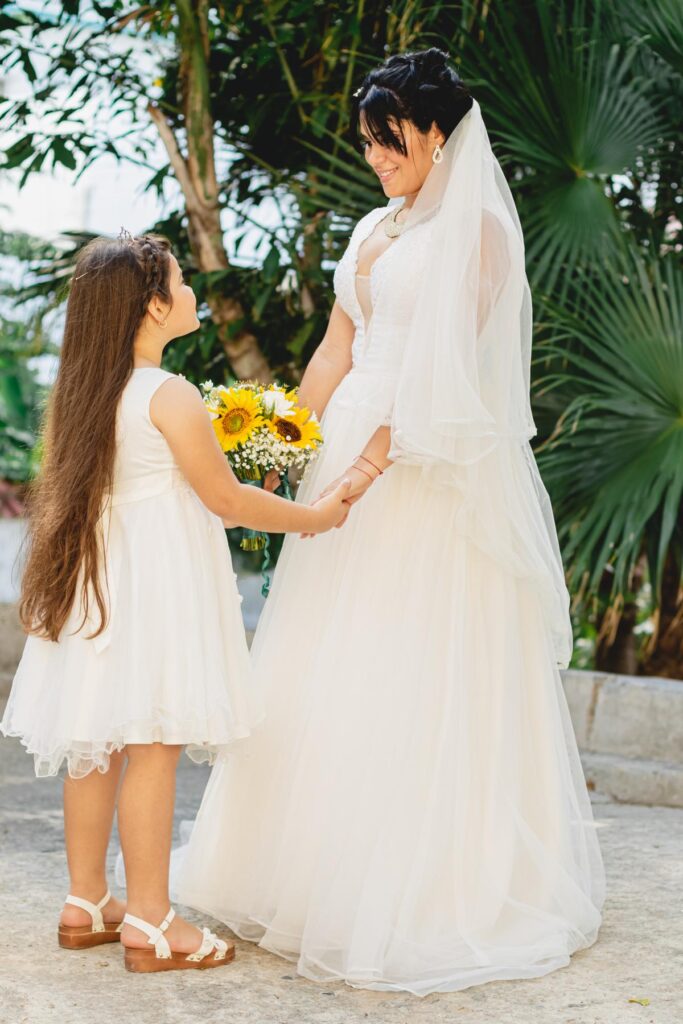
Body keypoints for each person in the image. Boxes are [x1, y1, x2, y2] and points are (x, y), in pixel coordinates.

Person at [175, 49, 606, 996]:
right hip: (350, 451)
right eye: (369, 141)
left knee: (410, 661)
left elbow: (452, 380)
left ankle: (420, 886)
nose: (376, 156)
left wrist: (368, 465)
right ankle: (301, 871)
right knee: (329, 655)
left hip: (426, 473)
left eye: (391, 140)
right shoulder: (375, 225)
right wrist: (287, 437)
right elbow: (341, 342)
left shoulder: (483, 231)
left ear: (438, 132)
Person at [0, 232, 350, 974]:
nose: (191, 294)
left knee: (94, 744)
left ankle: (87, 900)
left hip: (94, 587)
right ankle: (153, 922)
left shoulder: (88, 391)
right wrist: (315, 518)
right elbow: (223, 499)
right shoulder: (169, 393)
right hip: (155, 589)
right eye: (182, 284)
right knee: (153, 745)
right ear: (155, 306)